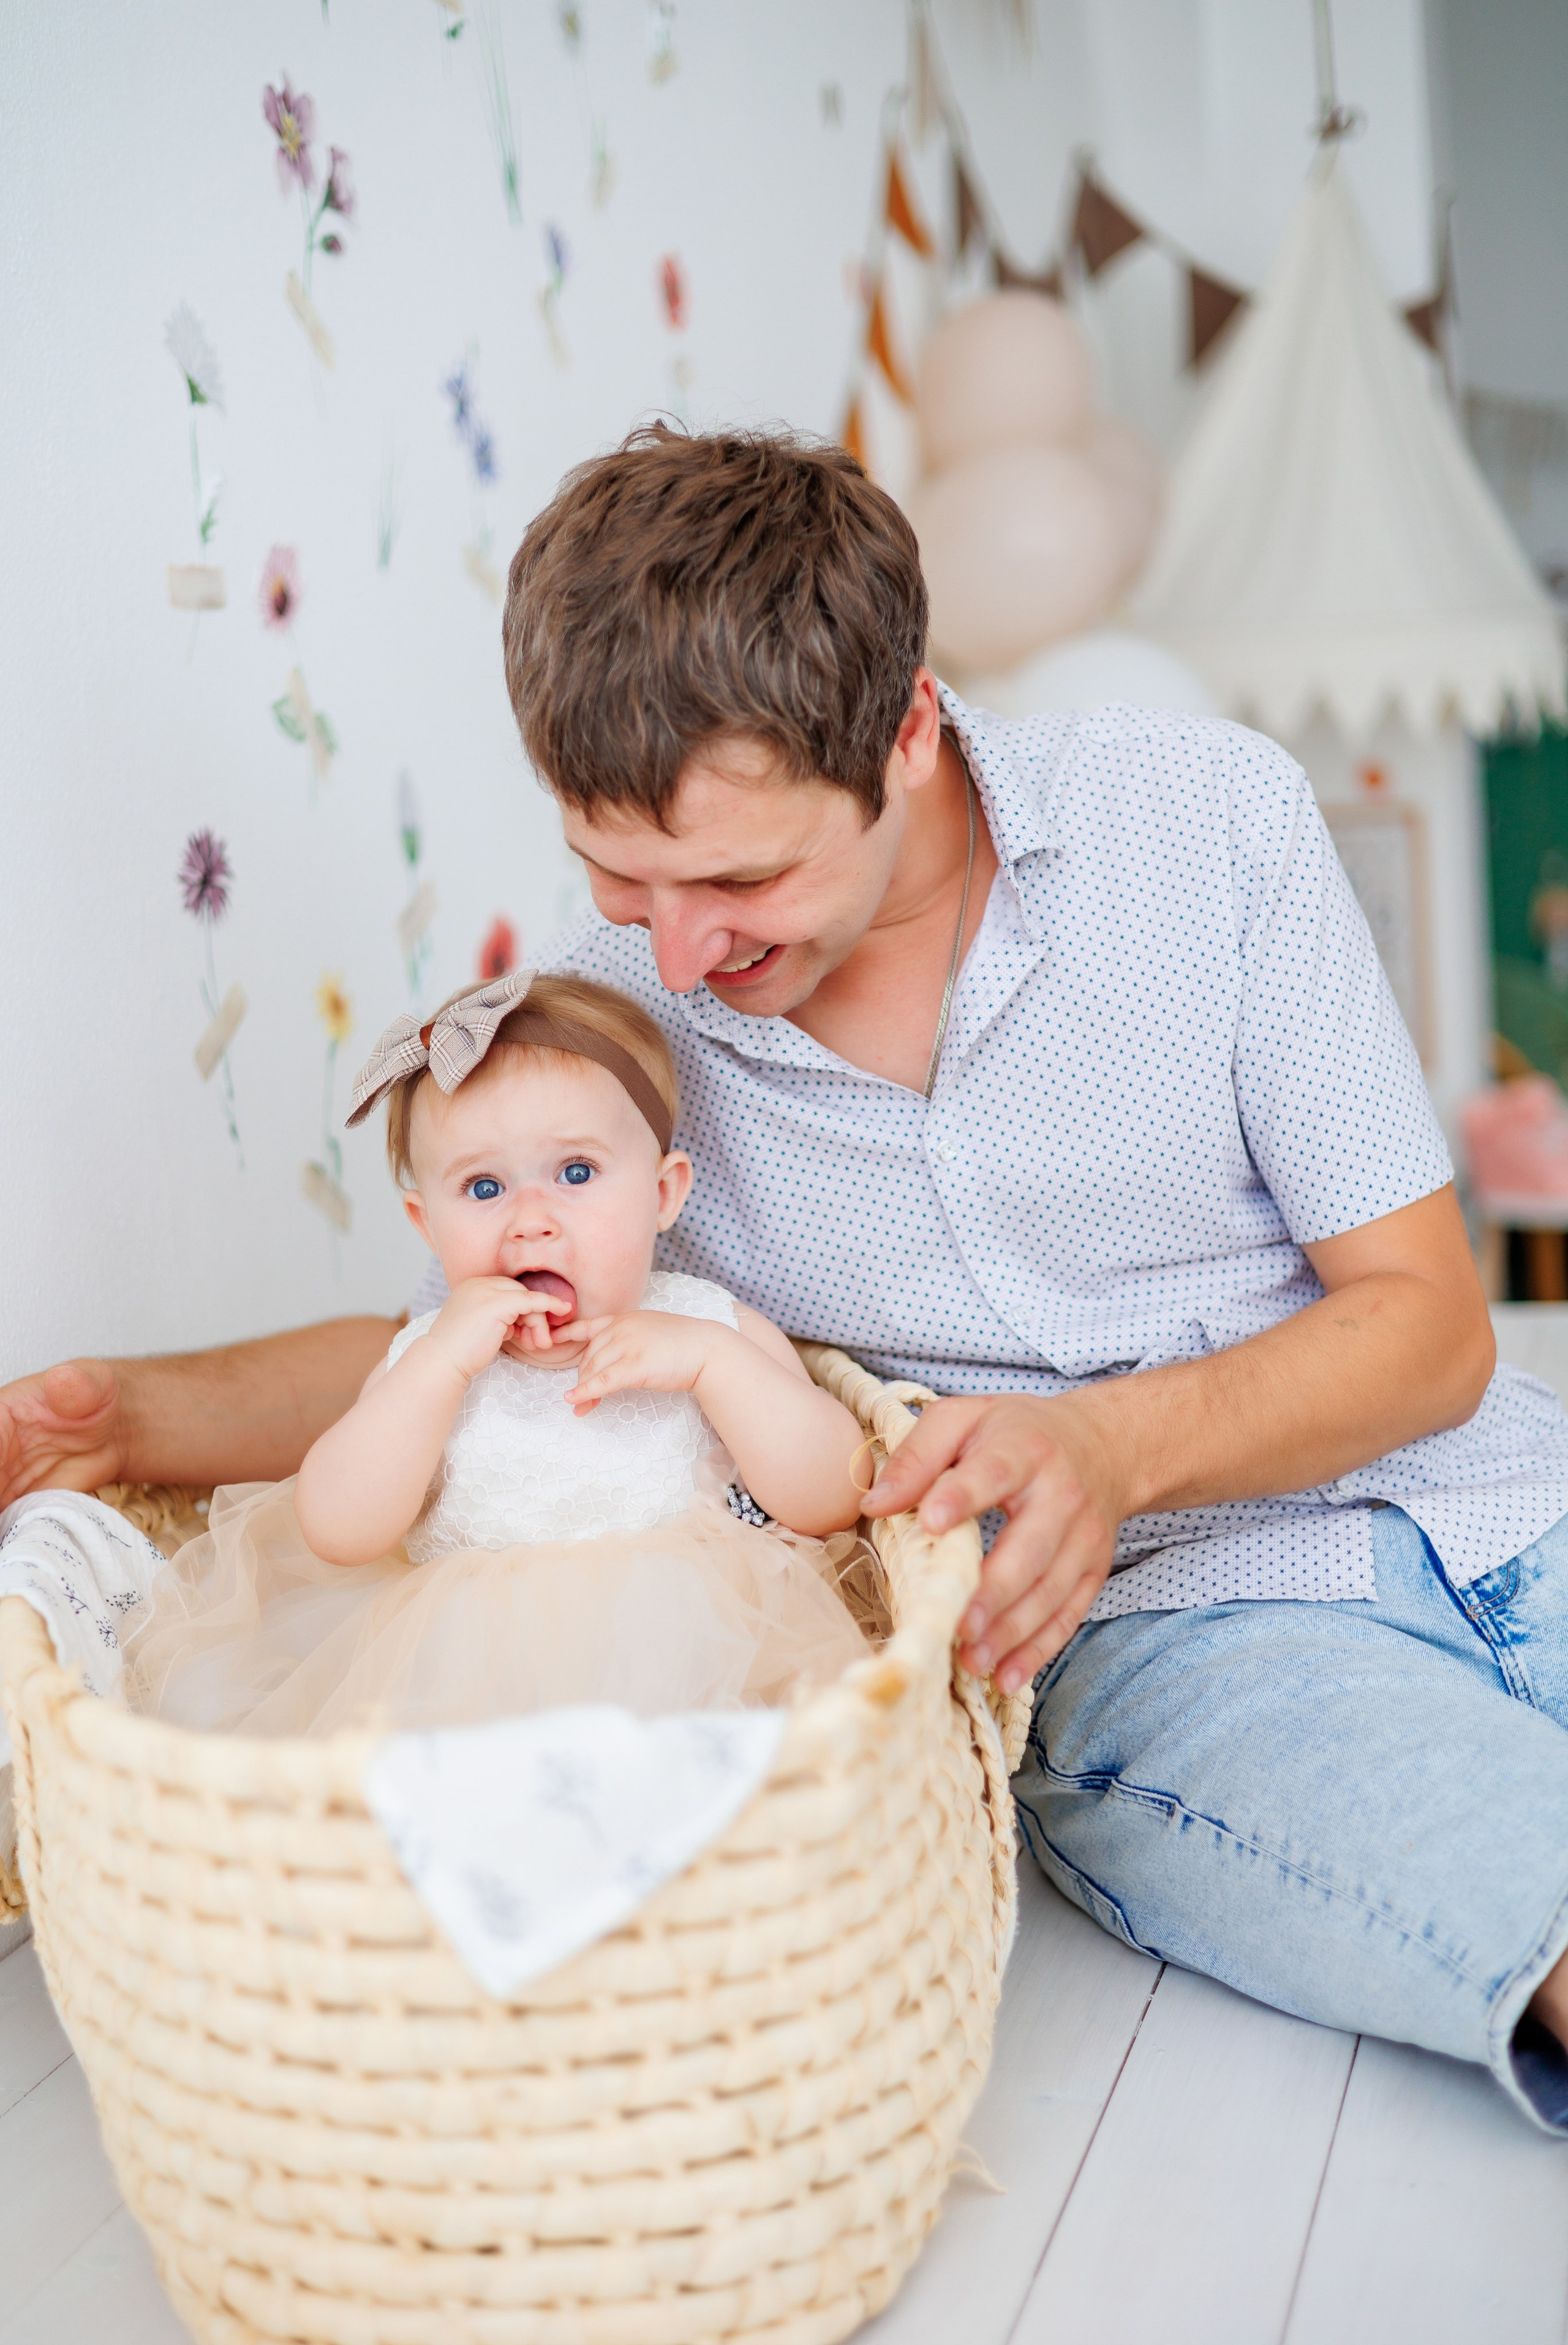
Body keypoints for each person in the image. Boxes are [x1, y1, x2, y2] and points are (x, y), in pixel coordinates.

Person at [6, 424, 1568, 2131]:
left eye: (743, 876)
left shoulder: (1209, 825)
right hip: (1170, 1639)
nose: (679, 952)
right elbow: (462, 1349)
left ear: (904, 733)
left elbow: (1428, 1333)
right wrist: (135, 1411)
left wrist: (1110, 1447)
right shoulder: (622, 1027)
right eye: (622, 876)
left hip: (1501, 1502)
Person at [123, 969, 870, 1736]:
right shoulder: (430, 1360)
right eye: (483, 1188)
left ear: (663, 1194)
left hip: (694, 1667)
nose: (531, 1221)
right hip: (466, 1688)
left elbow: (833, 1495)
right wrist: (438, 1369)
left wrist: (715, 1364)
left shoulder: (709, 1328)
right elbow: (337, 1532)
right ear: (426, 1224)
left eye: (576, 1173)